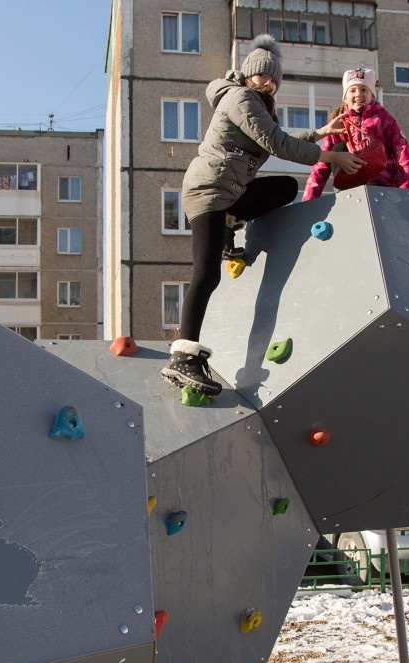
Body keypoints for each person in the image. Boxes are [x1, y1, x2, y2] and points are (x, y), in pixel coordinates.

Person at [160, 35, 364, 396]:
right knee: (206, 275)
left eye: (274, 80)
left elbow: (275, 138)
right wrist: (331, 156)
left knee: (283, 187)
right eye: (263, 77)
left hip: (229, 193)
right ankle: (182, 356)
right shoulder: (240, 98)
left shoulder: (256, 103)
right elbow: (277, 143)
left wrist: (318, 133)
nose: (269, 84)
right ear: (249, 74)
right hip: (208, 191)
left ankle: (228, 225)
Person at [302, 67, 409, 201]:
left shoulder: (383, 119)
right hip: (351, 184)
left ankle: (374, 184)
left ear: (372, 95)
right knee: (337, 148)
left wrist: (406, 192)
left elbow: (402, 153)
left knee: (377, 148)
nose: (358, 94)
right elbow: (321, 165)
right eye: (352, 90)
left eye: (363, 90)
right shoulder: (339, 124)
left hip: (381, 184)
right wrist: (309, 200)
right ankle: (347, 190)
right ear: (345, 98)